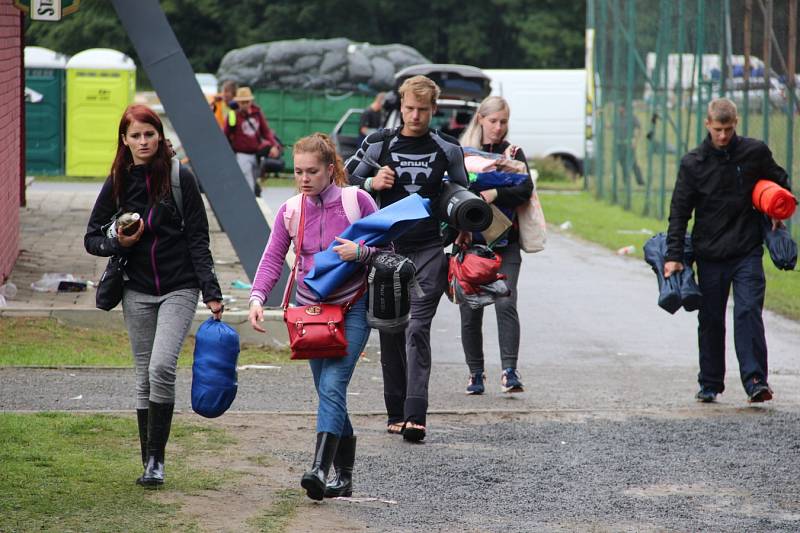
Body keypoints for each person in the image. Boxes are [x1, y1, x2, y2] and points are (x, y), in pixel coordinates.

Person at [84, 104, 224, 487]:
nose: (144, 141)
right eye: (136, 135)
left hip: (180, 286)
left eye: (150, 134)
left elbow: (199, 239)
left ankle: (157, 460)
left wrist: (211, 291)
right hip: (136, 289)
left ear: (160, 136)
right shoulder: (117, 182)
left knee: (162, 366)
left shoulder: (181, 179)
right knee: (144, 376)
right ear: (124, 140)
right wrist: (117, 239)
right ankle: (150, 463)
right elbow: (92, 238)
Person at [248, 133, 380, 501]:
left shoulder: (358, 200)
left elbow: (389, 248)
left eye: (312, 172)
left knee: (333, 386)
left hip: (353, 307)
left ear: (331, 169)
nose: (304, 179)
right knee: (327, 391)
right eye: (298, 172)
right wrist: (258, 297)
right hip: (309, 313)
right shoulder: (290, 210)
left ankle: (320, 469)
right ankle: (345, 476)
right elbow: (273, 256)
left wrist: (362, 252)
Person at [346, 75, 471, 442]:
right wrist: (372, 184)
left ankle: (416, 414)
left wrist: (465, 228)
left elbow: (465, 194)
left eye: (422, 109)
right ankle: (395, 410)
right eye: (409, 108)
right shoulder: (377, 143)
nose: (415, 115)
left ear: (434, 110)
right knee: (391, 330)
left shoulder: (447, 148)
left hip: (430, 249)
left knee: (417, 327)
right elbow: (343, 185)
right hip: (386, 251)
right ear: (400, 107)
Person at [664, 98, 790, 404]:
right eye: (718, 129)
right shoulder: (693, 163)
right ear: (707, 124)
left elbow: (780, 180)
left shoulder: (754, 152)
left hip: (746, 250)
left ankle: (756, 380)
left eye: (729, 129)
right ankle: (710, 383)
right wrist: (673, 256)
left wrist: (776, 206)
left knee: (748, 312)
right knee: (711, 319)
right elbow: (680, 212)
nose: (723, 135)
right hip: (709, 254)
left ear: (736, 125)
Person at [458, 96, 533, 395]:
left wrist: (494, 193)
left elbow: (525, 187)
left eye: (503, 122)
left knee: (505, 302)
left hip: (506, 244)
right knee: (471, 309)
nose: (498, 128)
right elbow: (454, 188)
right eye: (493, 121)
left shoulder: (513, 153)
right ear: (480, 119)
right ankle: (475, 374)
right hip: (472, 245)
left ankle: (509, 371)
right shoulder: (462, 153)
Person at [224, 86, 282, 196]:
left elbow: (266, 132)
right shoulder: (233, 115)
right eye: (242, 102)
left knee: (253, 181)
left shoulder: (257, 113)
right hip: (241, 154)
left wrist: (274, 145)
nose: (245, 104)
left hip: (257, 154)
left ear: (251, 101)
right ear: (237, 102)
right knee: (247, 182)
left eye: (247, 101)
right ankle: (248, 204)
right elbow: (225, 134)